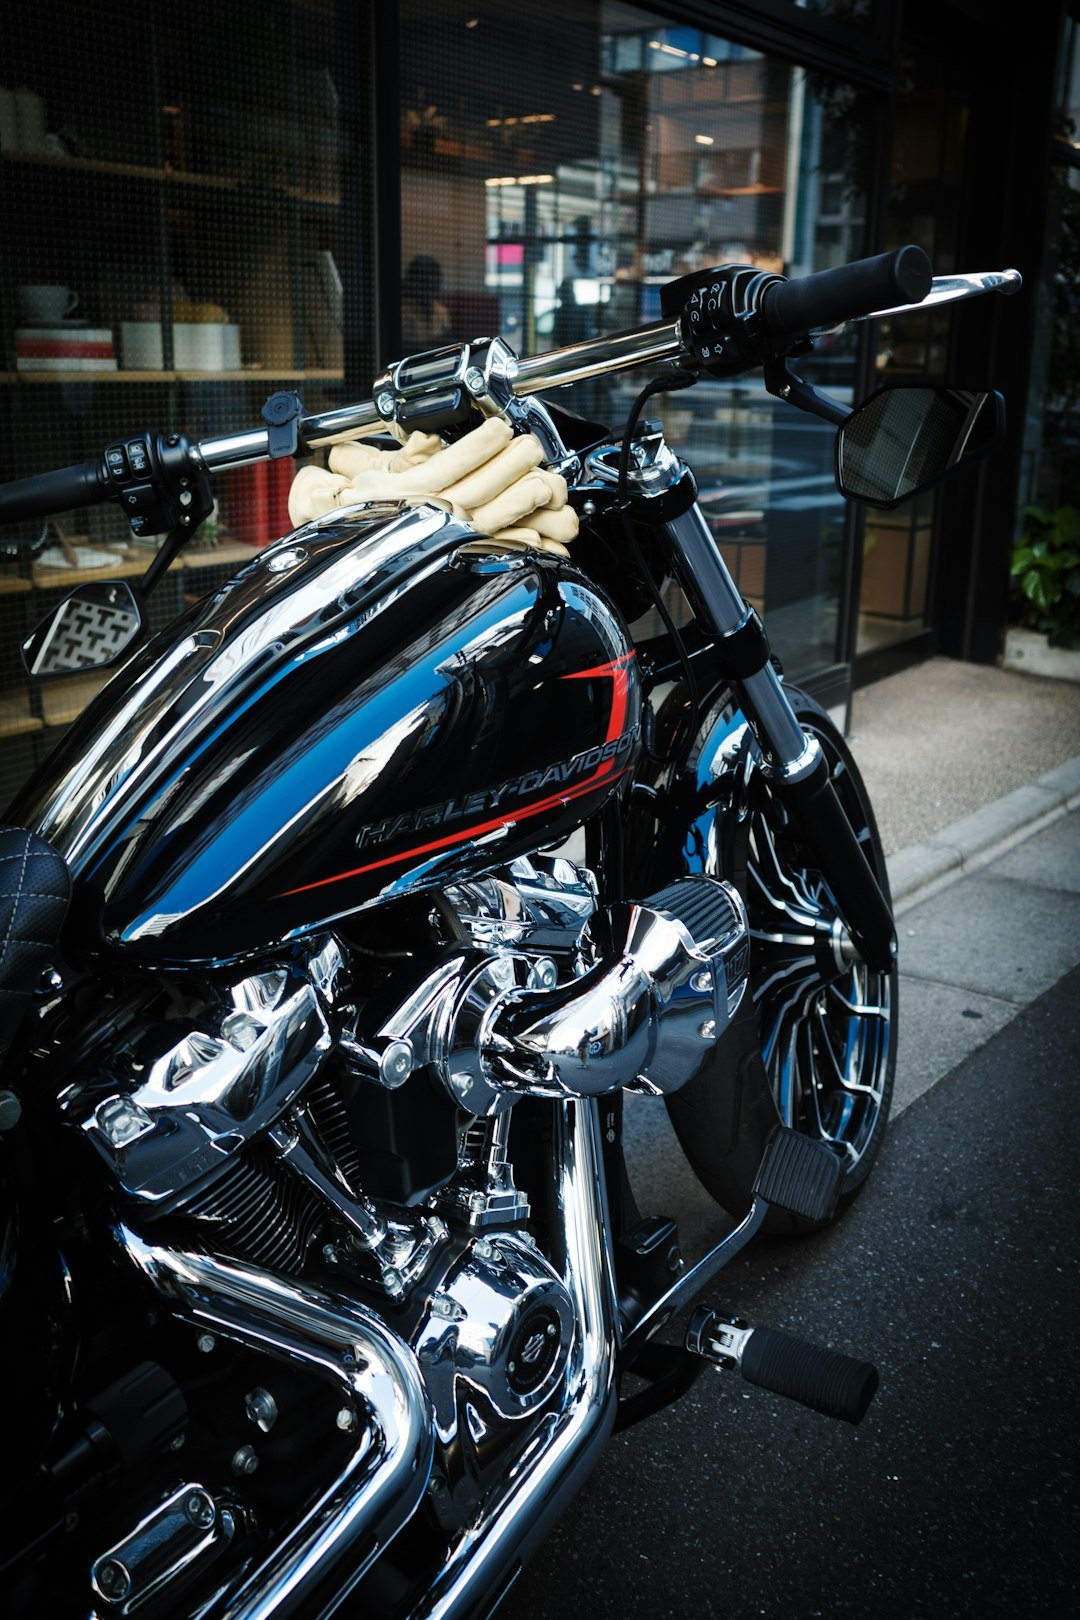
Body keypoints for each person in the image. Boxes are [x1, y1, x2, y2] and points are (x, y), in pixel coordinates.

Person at [401, 255, 451, 352]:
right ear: (411, 283)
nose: (428, 289)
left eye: (432, 284)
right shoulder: (403, 312)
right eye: (423, 283)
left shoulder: (442, 312)